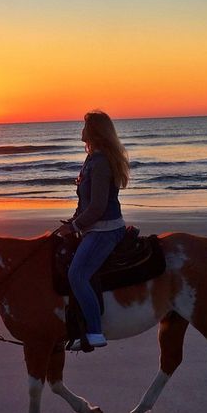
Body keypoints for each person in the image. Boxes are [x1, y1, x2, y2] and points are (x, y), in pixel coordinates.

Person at [57, 110, 129, 349]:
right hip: (93, 228)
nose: (81, 130)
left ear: (94, 131)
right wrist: (72, 222)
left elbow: (98, 207)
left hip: (104, 230)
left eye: (85, 126)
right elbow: (85, 203)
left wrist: (76, 226)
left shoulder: (100, 163)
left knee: (77, 275)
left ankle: (95, 331)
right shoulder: (91, 160)